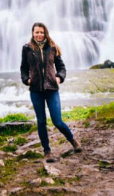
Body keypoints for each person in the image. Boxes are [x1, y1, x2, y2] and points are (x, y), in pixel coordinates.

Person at [20, 21, 81, 162]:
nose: (39, 35)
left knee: (57, 121)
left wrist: (59, 78)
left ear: (45, 33)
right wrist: (27, 80)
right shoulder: (27, 49)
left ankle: (73, 141)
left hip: (52, 89)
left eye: (42, 32)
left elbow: (61, 67)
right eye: (37, 32)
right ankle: (47, 151)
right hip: (35, 90)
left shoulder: (52, 47)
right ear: (33, 33)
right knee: (41, 121)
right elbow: (23, 68)